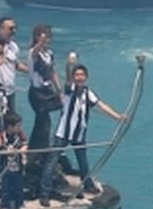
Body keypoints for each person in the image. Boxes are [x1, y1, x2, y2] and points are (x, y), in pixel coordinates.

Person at [52, 62, 123, 197]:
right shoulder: (69, 89)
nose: (80, 78)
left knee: (83, 161)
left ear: (86, 77)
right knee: (52, 160)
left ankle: (87, 184)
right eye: (77, 75)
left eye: (82, 75)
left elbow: (101, 105)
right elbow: (68, 80)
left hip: (78, 134)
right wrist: (70, 63)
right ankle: (45, 191)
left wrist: (118, 117)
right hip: (63, 133)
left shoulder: (88, 93)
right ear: (73, 77)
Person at [25, 23, 62, 195]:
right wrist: (39, 42)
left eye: (48, 36)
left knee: (45, 123)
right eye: (43, 36)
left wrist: (59, 90)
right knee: (43, 123)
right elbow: (34, 52)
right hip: (37, 93)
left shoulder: (49, 54)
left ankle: (40, 151)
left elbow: (52, 72)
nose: (47, 39)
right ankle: (37, 153)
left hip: (47, 90)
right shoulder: (33, 53)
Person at [0, 110, 29, 209]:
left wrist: (22, 149)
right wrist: (5, 151)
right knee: (5, 188)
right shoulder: (1, 137)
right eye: (18, 126)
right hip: (5, 168)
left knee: (19, 187)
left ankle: (20, 204)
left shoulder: (20, 136)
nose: (20, 128)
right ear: (10, 126)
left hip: (18, 167)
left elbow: (25, 145)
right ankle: (5, 206)